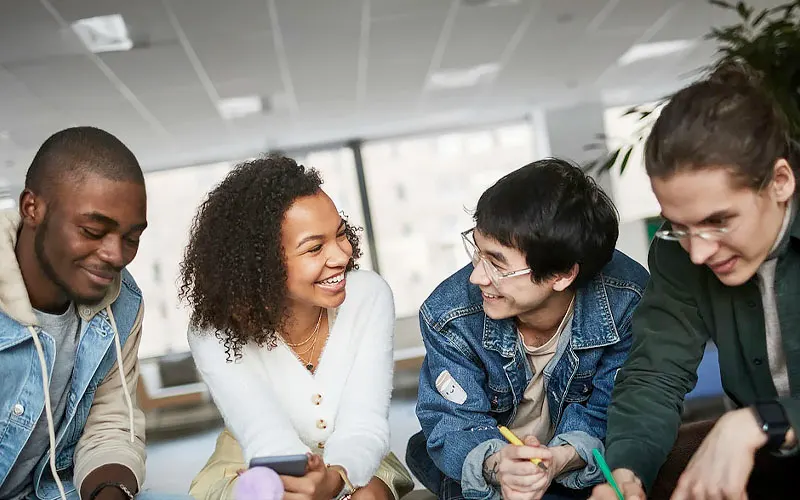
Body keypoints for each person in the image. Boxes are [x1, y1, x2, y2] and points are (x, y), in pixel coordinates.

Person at [590, 64, 800, 500]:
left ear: (780, 182)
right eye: (678, 225)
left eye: (718, 221)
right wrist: (625, 472)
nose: (698, 253)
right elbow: (655, 374)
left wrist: (763, 420)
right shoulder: (677, 253)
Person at [405, 158, 650, 500]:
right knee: (438, 454)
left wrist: (559, 459)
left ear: (562, 274)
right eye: (477, 252)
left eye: (497, 263)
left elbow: (612, 412)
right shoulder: (449, 313)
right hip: (488, 451)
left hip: (575, 454)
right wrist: (498, 464)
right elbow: (455, 424)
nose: (477, 276)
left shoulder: (627, 297)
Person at [182, 156, 414, 500]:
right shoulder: (215, 330)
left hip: (356, 456)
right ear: (260, 264)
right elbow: (267, 438)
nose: (341, 256)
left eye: (340, 235)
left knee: (368, 497)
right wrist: (302, 487)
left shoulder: (368, 295)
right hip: (255, 465)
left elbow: (363, 425)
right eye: (315, 248)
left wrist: (335, 480)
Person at [0, 127, 184, 500]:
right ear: (32, 208)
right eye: (93, 230)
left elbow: (111, 424)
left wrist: (111, 491)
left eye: (131, 238)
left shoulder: (124, 304)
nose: (116, 256)